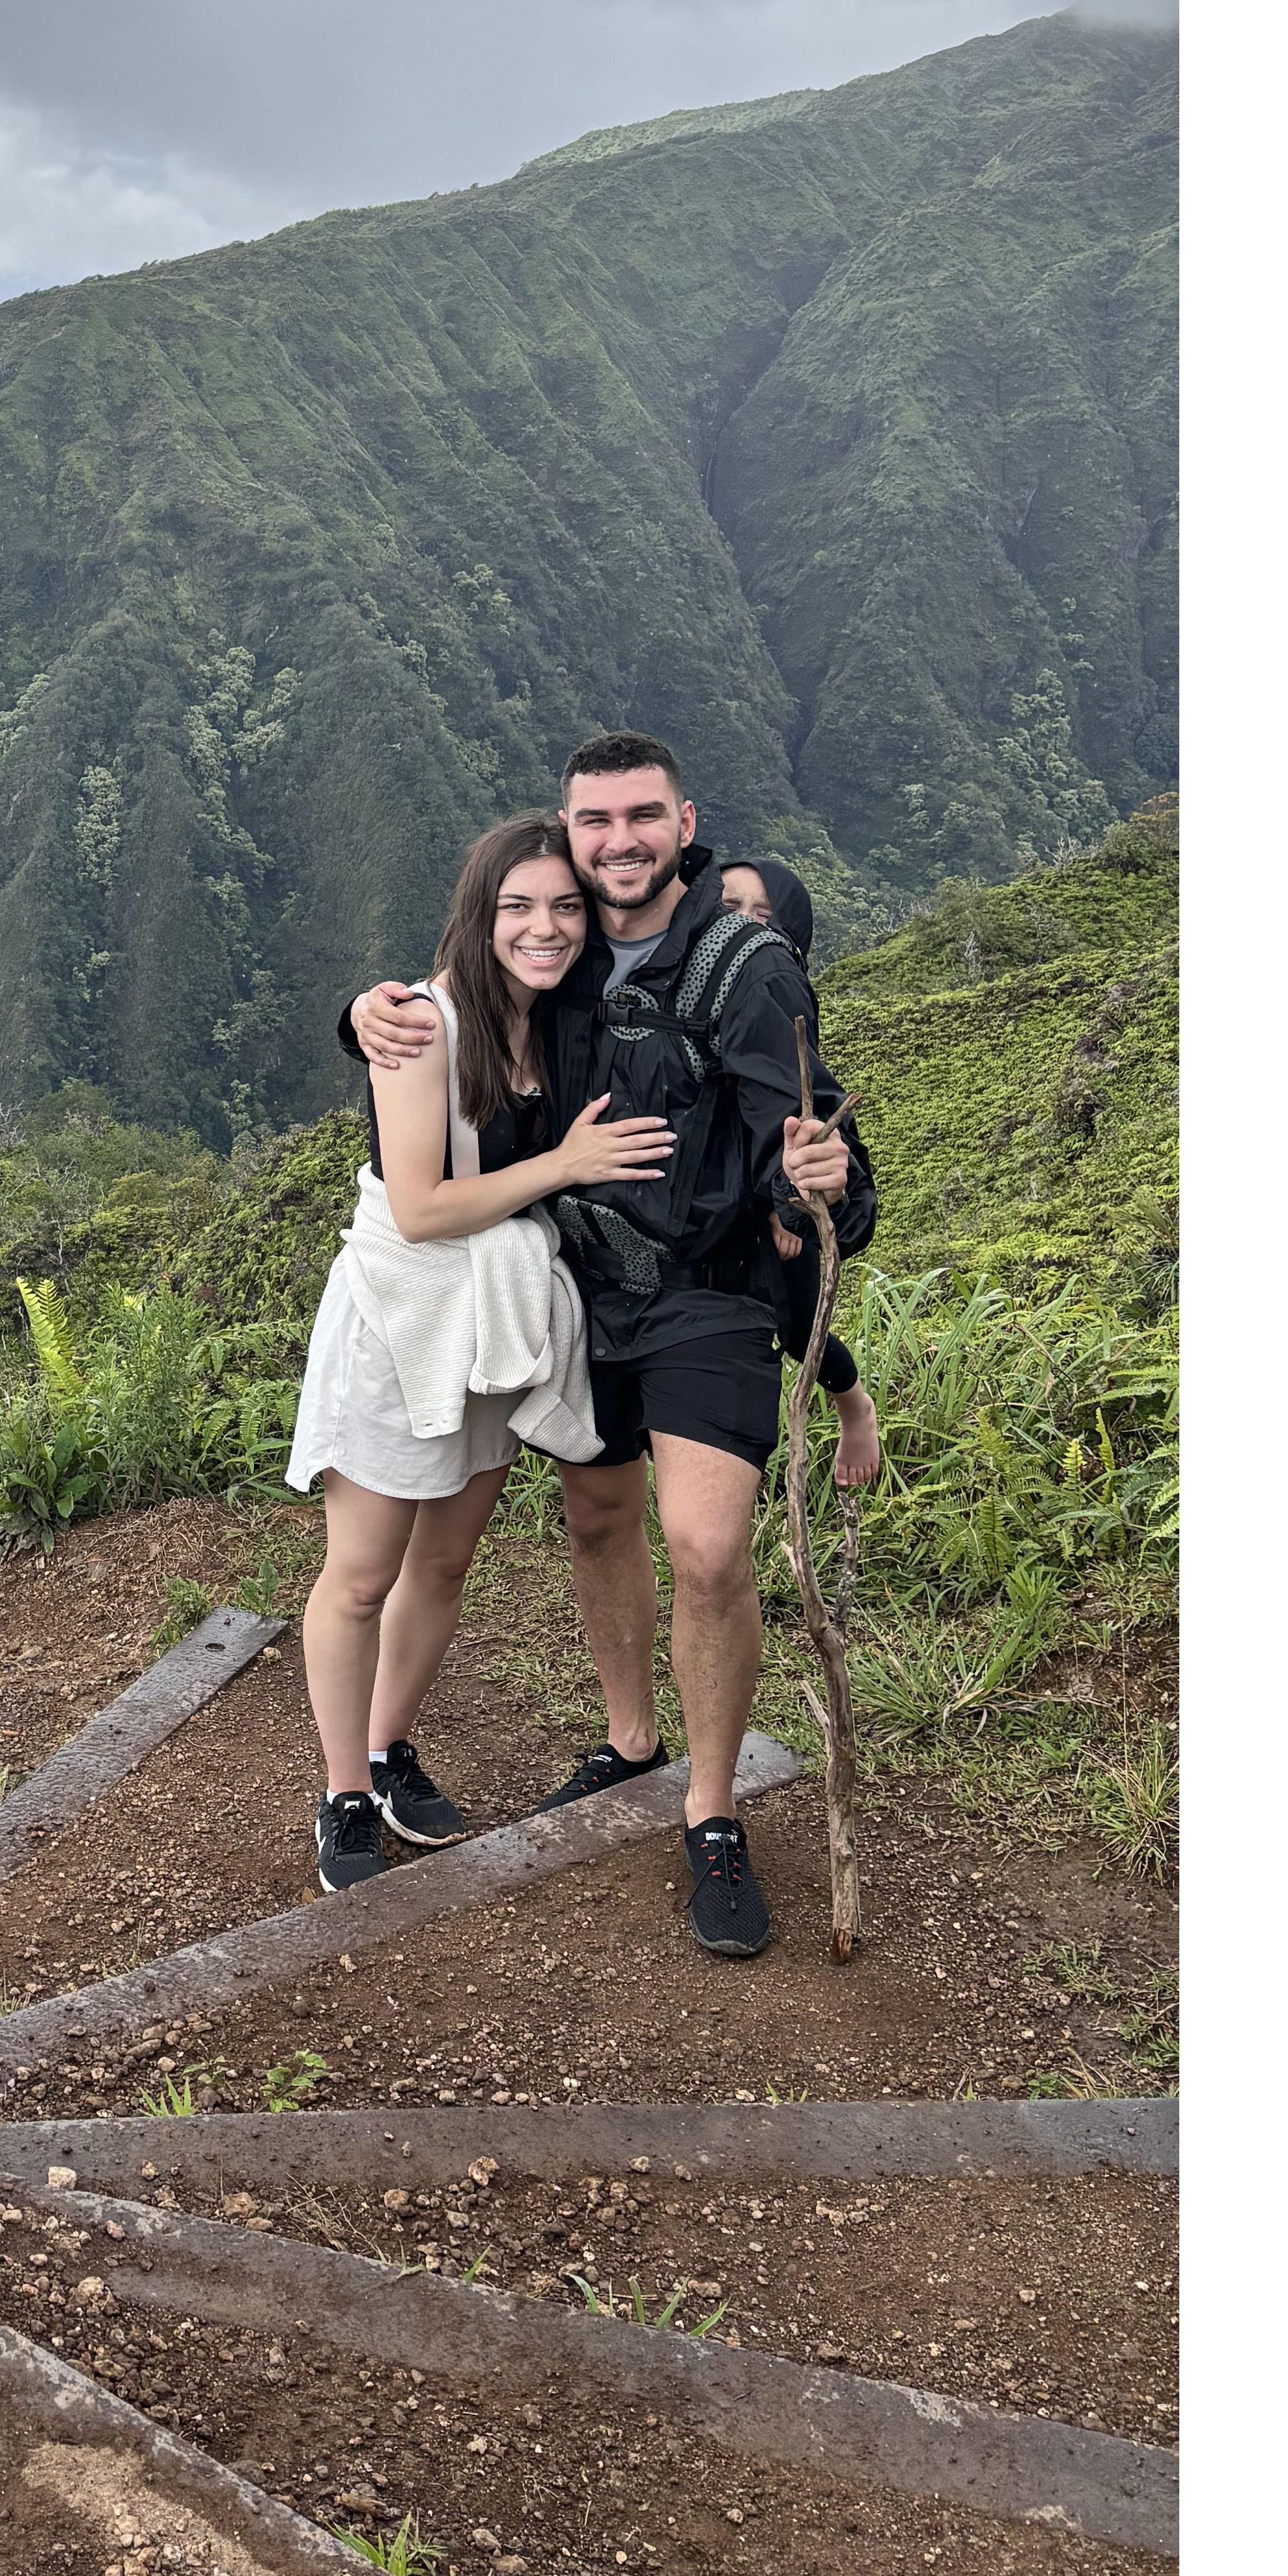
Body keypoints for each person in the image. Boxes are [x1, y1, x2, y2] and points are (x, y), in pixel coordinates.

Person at [342, 733, 873, 1959]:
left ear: (685, 822)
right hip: (574, 1286)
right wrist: (361, 1015)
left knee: (704, 1542)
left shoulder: (746, 969)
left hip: (704, 1293)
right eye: (597, 823)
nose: (619, 842)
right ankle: (631, 1738)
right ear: (571, 834)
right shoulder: (563, 950)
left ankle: (710, 1805)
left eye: (643, 818)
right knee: (595, 1516)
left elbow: (812, 1135)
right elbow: (466, 1005)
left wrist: (830, 1190)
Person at [288, 815, 673, 1893]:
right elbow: (417, 1207)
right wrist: (566, 1161)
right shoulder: (420, 1027)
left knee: (442, 1562)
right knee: (361, 1573)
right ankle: (342, 1795)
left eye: (563, 906)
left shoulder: (564, 1024)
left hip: (495, 1330)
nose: (543, 927)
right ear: (479, 914)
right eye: (518, 907)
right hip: (402, 1322)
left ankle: (384, 1745)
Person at [715, 858, 884, 1492]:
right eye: (727, 908)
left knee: (795, 1328)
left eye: (762, 916)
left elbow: (786, 1112)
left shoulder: (772, 989)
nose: (741, 927)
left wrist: (781, 1207)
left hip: (778, 1202)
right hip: (715, 1208)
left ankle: (853, 1405)